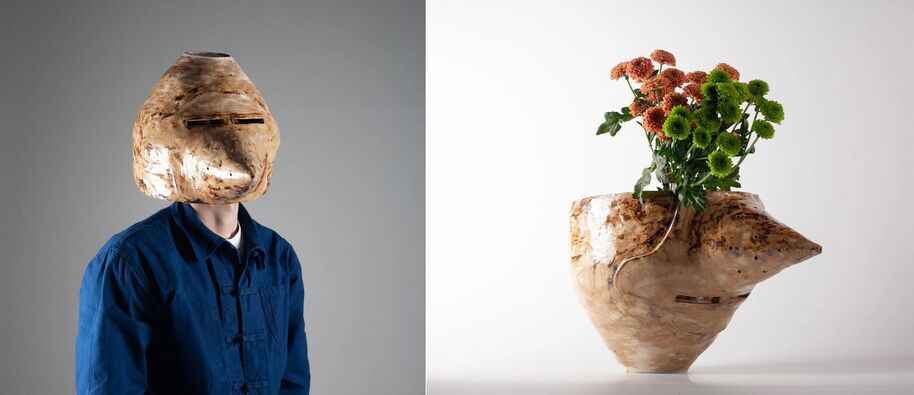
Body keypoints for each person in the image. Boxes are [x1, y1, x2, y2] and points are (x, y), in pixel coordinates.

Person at [75, 52, 310, 394]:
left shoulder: (278, 257)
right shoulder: (131, 263)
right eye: (206, 123)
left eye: (246, 121)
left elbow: (293, 380)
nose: (232, 138)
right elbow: (111, 386)